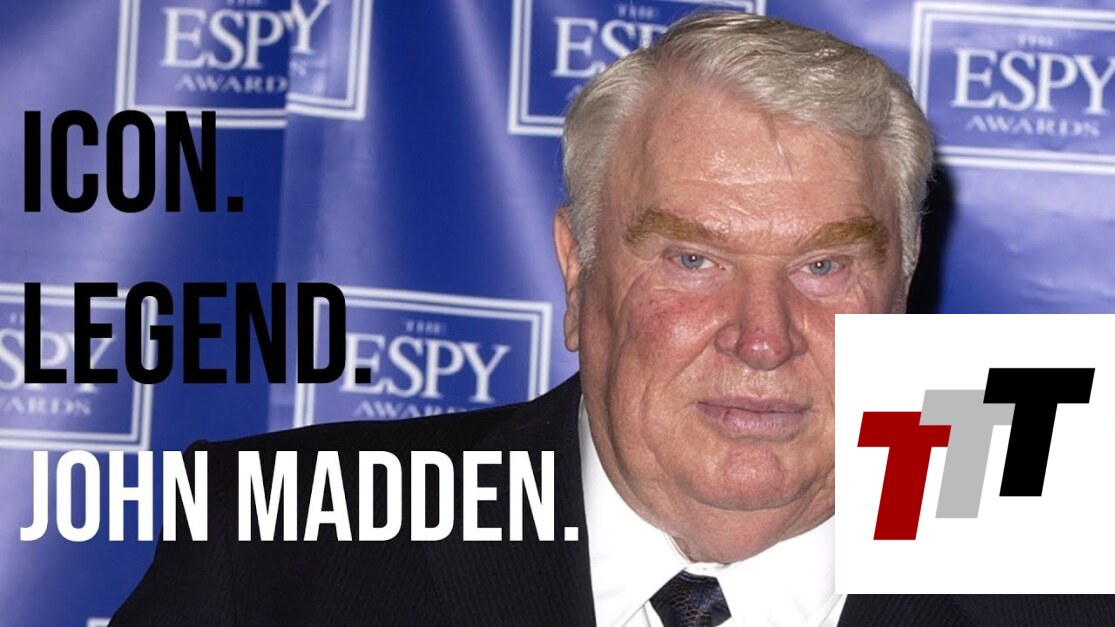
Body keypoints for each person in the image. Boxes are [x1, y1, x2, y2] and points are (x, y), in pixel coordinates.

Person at [112, 12, 1114, 626]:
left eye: (822, 265)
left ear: (902, 284)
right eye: (691, 259)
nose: (761, 337)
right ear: (575, 269)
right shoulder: (281, 543)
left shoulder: (1076, 575)